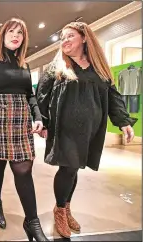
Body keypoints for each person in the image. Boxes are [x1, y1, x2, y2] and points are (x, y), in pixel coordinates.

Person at [36, 21, 137, 238]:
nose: (65, 40)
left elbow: (113, 96)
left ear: (84, 38)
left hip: (90, 129)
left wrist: (124, 122)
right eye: (62, 37)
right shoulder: (57, 67)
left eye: (69, 36)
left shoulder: (98, 67)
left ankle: (66, 206)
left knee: (75, 167)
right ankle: (60, 210)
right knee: (68, 168)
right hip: (64, 128)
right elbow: (41, 97)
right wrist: (42, 122)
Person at [0, 17, 49, 241]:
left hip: (20, 120)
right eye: (11, 32)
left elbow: (30, 94)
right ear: (3, 35)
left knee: (24, 169)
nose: (16, 36)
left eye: (20, 33)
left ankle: (32, 222)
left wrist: (37, 116)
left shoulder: (24, 64)